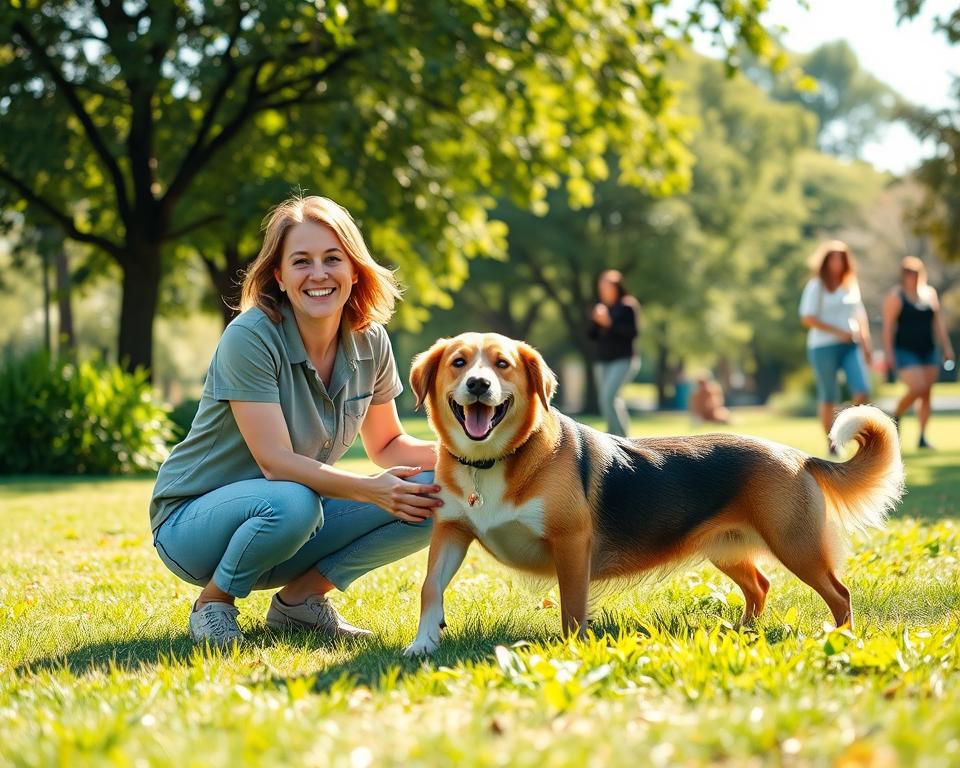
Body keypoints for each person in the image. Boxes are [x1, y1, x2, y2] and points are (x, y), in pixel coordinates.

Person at [149, 195, 441, 646]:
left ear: (354, 270)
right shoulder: (250, 337)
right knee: (294, 501)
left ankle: (300, 603)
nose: (318, 274)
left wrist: (469, 455)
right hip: (192, 525)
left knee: (434, 492)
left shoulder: (372, 341)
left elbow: (387, 444)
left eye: (332, 259)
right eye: (301, 261)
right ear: (279, 277)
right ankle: (213, 604)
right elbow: (276, 462)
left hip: (292, 521)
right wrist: (370, 489)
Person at [799, 240, 874, 454]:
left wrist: (867, 345)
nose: (837, 263)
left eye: (841, 259)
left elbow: (860, 316)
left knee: (862, 390)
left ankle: (845, 428)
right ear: (825, 262)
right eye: (833, 259)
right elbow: (807, 318)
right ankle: (832, 443)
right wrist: (837, 331)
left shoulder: (850, 284)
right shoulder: (816, 286)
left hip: (851, 345)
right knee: (829, 395)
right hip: (823, 346)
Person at [882, 256, 956, 449]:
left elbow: (937, 323)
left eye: (915, 272)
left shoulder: (929, 293)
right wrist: (889, 354)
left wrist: (946, 347)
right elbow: (888, 327)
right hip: (905, 350)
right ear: (903, 275)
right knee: (918, 387)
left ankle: (922, 436)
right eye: (908, 273)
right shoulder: (896, 296)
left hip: (928, 349)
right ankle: (896, 416)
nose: (912, 276)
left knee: (926, 393)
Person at [587, 269, 639, 436]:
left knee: (608, 397)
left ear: (617, 287)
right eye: (601, 288)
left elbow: (632, 333)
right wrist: (596, 320)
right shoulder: (603, 308)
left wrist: (609, 323)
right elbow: (592, 335)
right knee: (609, 400)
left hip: (623, 360)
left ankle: (619, 437)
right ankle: (617, 435)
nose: (603, 291)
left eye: (607, 287)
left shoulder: (627, 306)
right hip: (603, 360)